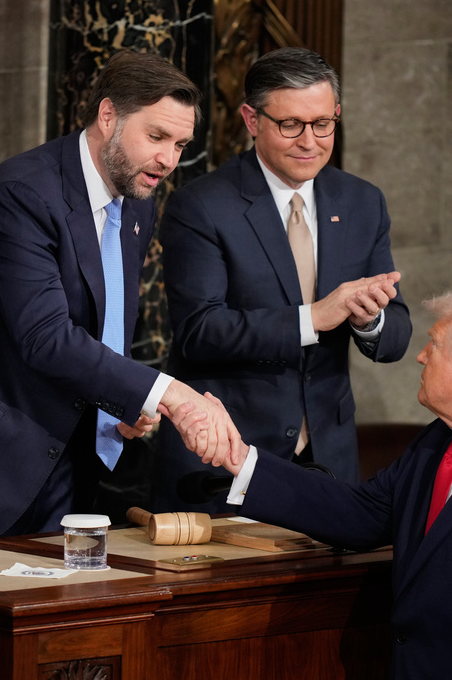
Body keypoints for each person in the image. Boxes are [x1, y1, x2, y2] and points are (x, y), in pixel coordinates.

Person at [0, 51, 238, 547]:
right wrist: (170, 393)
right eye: (156, 137)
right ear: (108, 117)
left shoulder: (136, 205)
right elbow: (46, 337)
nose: (169, 160)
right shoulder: (21, 195)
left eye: (181, 144)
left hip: (66, 464)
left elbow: (103, 324)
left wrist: (123, 405)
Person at [164, 289, 452, 680]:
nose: (420, 355)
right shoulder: (439, 440)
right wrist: (240, 460)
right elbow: (363, 514)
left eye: (434, 345)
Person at [153, 47, 412, 513]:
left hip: (328, 461)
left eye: (322, 124)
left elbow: (394, 339)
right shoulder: (204, 206)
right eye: (290, 125)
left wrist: (369, 319)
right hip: (225, 456)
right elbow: (199, 331)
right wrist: (313, 318)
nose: (309, 141)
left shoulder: (361, 202)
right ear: (252, 120)